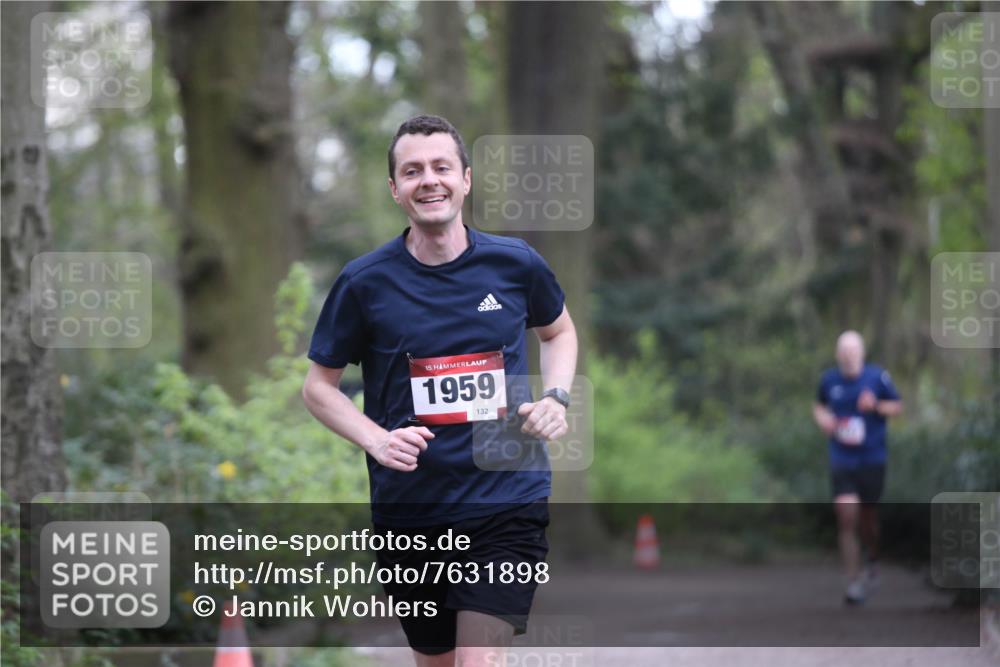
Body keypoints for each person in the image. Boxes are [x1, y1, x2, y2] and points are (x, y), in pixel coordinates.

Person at [302, 115, 578, 666]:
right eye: (412, 171)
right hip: (411, 510)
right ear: (395, 190)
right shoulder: (365, 283)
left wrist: (556, 397)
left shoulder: (515, 264)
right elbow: (318, 389)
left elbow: (560, 331)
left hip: (507, 500)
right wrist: (377, 441)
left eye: (441, 167)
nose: (428, 180)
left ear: (465, 180)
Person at [813, 330, 902, 605]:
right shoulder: (829, 380)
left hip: (872, 458)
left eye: (854, 351)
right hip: (842, 458)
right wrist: (824, 420)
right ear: (838, 354)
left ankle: (872, 557)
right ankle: (853, 582)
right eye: (844, 351)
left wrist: (875, 406)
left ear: (861, 353)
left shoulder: (877, 377)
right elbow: (819, 406)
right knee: (846, 516)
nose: (849, 356)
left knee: (867, 519)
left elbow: (897, 406)